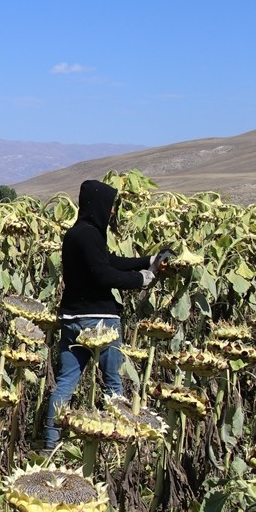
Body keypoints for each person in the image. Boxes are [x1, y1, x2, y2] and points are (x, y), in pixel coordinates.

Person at [40, 179, 167, 451]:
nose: (111, 213)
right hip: (100, 320)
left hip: (72, 320)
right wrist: (141, 280)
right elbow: (103, 274)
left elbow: (108, 261)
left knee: (64, 385)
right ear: (98, 205)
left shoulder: (76, 234)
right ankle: (116, 445)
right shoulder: (90, 235)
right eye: (109, 206)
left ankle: (50, 445)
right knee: (113, 386)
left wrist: (147, 261)